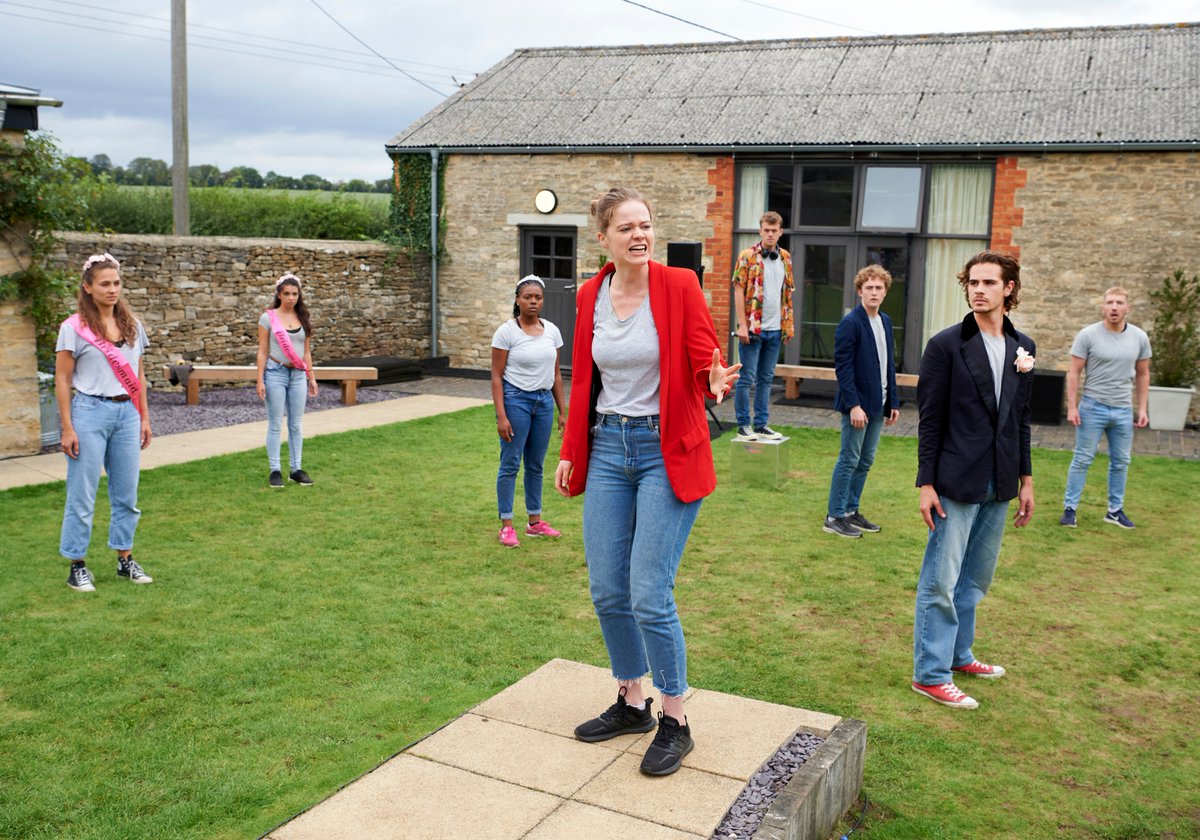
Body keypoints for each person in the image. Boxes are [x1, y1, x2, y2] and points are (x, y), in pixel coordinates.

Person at [554, 187, 740, 775]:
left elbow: (706, 358)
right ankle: (632, 701)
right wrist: (571, 451)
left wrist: (715, 381)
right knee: (608, 590)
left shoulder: (679, 285)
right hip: (608, 446)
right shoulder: (590, 295)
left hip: (667, 449)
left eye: (646, 224)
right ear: (604, 238)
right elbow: (584, 379)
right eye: (627, 227)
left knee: (648, 593)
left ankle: (675, 717)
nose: (640, 234)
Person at [911, 250, 1036, 710]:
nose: (978, 290)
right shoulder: (945, 345)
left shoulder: (1024, 348)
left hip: (1000, 480)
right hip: (954, 480)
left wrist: (1025, 478)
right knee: (941, 581)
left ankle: (960, 656)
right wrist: (927, 484)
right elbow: (930, 420)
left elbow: (1020, 420)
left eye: (988, 283)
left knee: (974, 580)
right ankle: (929, 674)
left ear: (1009, 289)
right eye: (972, 283)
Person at [55, 253, 154, 591]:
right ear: (88, 287)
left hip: (127, 414)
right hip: (89, 413)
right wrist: (67, 427)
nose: (113, 289)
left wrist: (144, 417)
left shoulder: (132, 325)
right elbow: (63, 380)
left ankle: (125, 560)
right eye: (104, 284)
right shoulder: (73, 328)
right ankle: (77, 564)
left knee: (127, 493)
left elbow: (138, 374)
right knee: (82, 494)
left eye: (116, 283)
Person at [1060, 288, 1151, 530]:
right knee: (1082, 459)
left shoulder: (1140, 337)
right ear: (1103, 307)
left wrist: (1142, 409)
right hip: (1092, 407)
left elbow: (1143, 374)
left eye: (1119, 303)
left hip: (1123, 410)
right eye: (1109, 302)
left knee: (1121, 461)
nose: (1114, 307)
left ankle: (1114, 511)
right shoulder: (1088, 335)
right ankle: (1070, 509)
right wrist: (1072, 407)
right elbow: (1074, 372)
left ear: (1127, 308)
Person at [823, 264, 901, 539]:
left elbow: (888, 363)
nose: (874, 292)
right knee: (849, 459)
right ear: (860, 291)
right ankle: (834, 516)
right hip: (857, 406)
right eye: (869, 288)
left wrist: (893, 400)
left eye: (879, 288)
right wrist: (853, 405)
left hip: (879, 404)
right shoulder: (851, 323)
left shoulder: (886, 321)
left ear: (885, 292)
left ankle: (850, 511)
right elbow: (843, 368)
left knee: (865, 460)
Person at [490, 275, 567, 547]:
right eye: (527, 297)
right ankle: (507, 525)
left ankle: (534, 522)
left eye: (538, 297)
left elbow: (556, 374)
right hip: (516, 401)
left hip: (544, 402)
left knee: (535, 465)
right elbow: (497, 377)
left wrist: (561, 410)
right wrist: (502, 415)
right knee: (510, 463)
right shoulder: (507, 332)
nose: (533, 301)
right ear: (517, 299)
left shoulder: (552, 331)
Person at [731, 211, 794, 441]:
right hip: (753, 328)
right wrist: (742, 325)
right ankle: (743, 425)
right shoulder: (747, 256)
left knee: (766, 378)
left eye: (774, 230)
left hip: (776, 328)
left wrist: (788, 326)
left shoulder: (785, 257)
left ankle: (761, 425)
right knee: (746, 378)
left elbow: (787, 294)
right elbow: (738, 289)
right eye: (766, 230)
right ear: (760, 231)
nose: (770, 234)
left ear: (780, 232)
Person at [256, 273, 318, 488]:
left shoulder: (303, 318)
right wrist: (260, 380)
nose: (291, 297)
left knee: (296, 424)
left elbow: (306, 352)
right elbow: (262, 351)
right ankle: (275, 470)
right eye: (287, 294)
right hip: (275, 373)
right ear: (279, 295)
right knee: (274, 424)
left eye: (295, 294)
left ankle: (296, 469)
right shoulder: (268, 318)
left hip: (298, 375)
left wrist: (312, 377)